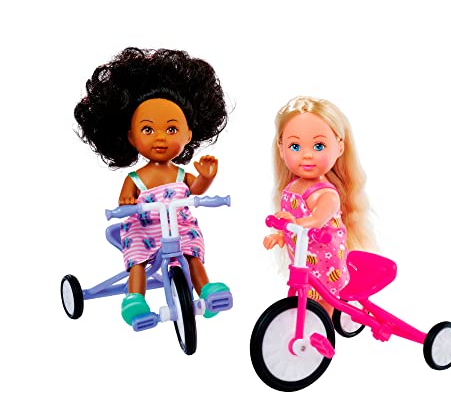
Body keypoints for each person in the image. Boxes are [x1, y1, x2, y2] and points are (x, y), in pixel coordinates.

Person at [74, 47, 230, 324]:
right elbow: (126, 199)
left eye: (171, 130)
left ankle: (206, 290)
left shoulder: (180, 174)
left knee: (192, 254)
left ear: (189, 134)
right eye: (148, 129)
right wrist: (127, 203)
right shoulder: (135, 179)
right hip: (144, 228)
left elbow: (195, 190)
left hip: (179, 225)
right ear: (131, 137)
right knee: (137, 261)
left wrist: (206, 177)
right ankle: (135, 299)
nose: (160, 138)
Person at [263, 96, 375, 315]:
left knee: (324, 302)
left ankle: (326, 327)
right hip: (303, 262)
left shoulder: (326, 195)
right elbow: (291, 221)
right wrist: (281, 234)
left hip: (326, 265)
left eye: (319, 146)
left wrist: (293, 222)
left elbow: (316, 220)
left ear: (339, 147)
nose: (307, 155)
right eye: (295, 146)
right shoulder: (292, 188)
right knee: (301, 294)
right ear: (281, 148)